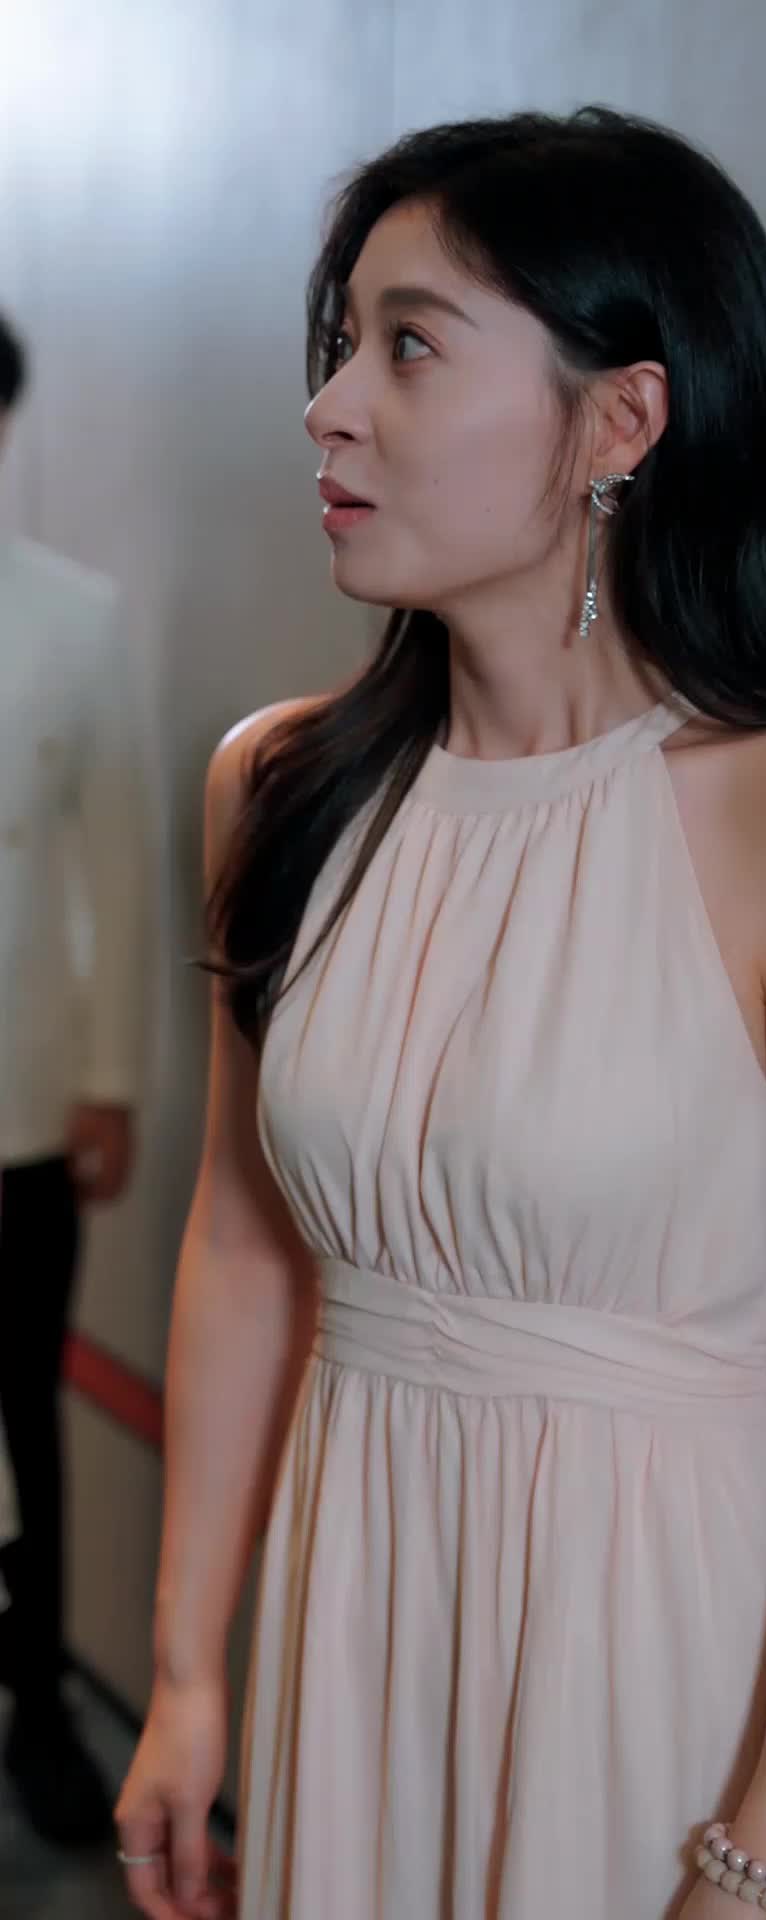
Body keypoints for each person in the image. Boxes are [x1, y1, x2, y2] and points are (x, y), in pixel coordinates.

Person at [115, 107, 766, 1920]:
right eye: (342, 342)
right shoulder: (280, 788)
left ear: (621, 422)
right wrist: (188, 1674)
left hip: (676, 1679)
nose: (332, 406)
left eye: (410, 345)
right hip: (365, 1632)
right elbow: (248, 1245)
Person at [0, 310, 144, 1845]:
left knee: (21, 1415)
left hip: (20, 1106)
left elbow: (118, 859)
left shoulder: (74, 619)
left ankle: (36, 1710)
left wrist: (112, 1075)